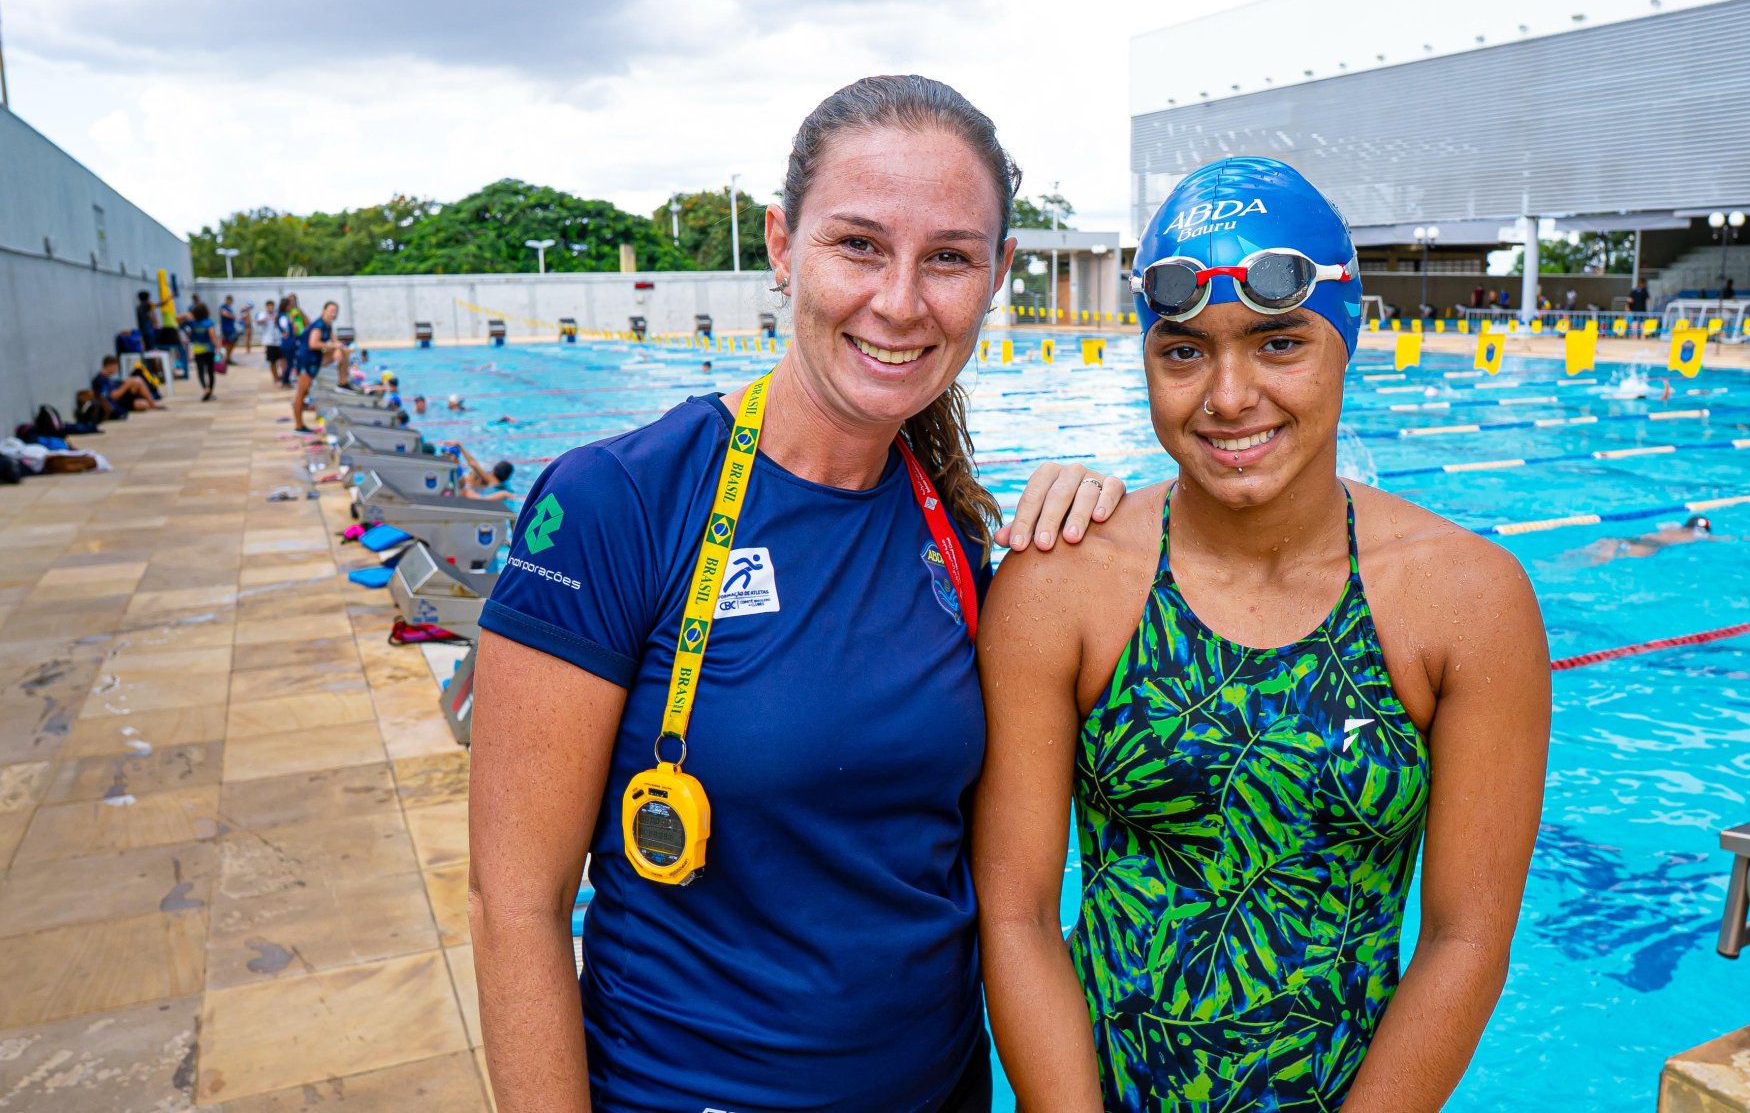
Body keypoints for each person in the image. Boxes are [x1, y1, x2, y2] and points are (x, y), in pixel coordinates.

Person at [469, 74, 1134, 1113]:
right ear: (783, 247)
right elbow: (516, 904)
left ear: (998, 274)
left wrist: (1102, 527)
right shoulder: (619, 503)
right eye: (859, 244)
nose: (901, 300)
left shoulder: (953, 529)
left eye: (948, 257)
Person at [974, 156, 1551, 1111]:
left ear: (1348, 340)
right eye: (1184, 351)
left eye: (1278, 344)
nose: (1230, 396)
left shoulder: (1468, 601)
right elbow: (1020, 912)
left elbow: (1465, 939)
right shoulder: (1061, 584)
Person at [291, 301, 342, 432]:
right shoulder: (319, 325)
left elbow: (337, 343)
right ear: (323, 311)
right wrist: (333, 346)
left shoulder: (328, 325)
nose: (333, 313)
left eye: (335, 311)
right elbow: (313, 343)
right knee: (301, 393)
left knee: (343, 352)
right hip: (306, 360)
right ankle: (298, 426)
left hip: (315, 359)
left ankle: (343, 382)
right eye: (330, 310)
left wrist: (336, 348)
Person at [1580, 515, 1713, 563]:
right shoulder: (1695, 535)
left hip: (1634, 539)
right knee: (1604, 560)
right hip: (1650, 546)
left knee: (1593, 551)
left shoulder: (1673, 527)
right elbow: (1710, 538)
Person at [91, 356, 163, 416]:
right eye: (115, 367)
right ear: (110, 366)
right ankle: (152, 404)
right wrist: (126, 385)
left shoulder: (107, 377)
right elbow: (113, 396)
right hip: (117, 403)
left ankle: (151, 403)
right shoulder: (101, 379)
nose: (116, 370)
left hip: (122, 400)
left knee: (136, 382)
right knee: (136, 381)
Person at [449, 441, 516, 501]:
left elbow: (473, 464)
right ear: (506, 477)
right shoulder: (501, 486)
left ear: (493, 471)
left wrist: (460, 446)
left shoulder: (488, 480)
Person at [186, 303, 221, 401]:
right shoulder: (209, 322)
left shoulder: (192, 322)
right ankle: (210, 391)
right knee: (210, 371)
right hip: (209, 349)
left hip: (198, 350)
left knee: (200, 370)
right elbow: (212, 335)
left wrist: (187, 315)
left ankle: (205, 389)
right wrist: (218, 347)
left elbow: (177, 319)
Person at [218, 295, 240, 368]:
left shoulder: (229, 308)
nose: (230, 302)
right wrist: (234, 316)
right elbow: (224, 314)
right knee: (227, 343)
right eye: (229, 300)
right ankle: (226, 358)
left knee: (232, 342)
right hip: (226, 329)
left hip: (231, 328)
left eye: (231, 301)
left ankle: (228, 358)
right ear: (226, 300)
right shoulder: (223, 307)